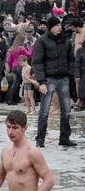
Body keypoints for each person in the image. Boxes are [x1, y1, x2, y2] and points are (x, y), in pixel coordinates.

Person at [32, 16, 76, 147]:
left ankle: (64, 138)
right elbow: (37, 62)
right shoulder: (42, 41)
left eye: (60, 25)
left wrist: (70, 73)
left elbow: (71, 59)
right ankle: (40, 140)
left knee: (67, 111)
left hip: (63, 78)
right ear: (50, 27)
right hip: (48, 79)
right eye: (56, 25)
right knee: (44, 112)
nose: (59, 27)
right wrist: (41, 82)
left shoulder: (66, 40)